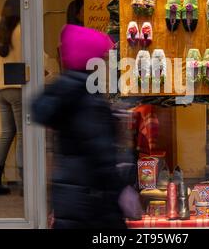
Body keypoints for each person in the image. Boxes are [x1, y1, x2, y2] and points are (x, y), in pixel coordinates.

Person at [32, 24, 140, 229]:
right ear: (91, 62)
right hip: (92, 201)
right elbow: (102, 154)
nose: (106, 64)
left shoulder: (66, 93)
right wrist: (122, 190)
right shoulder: (88, 100)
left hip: (69, 198)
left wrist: (107, 116)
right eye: (103, 58)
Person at [0, 0, 23, 195]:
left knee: (6, 133)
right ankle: (26, 182)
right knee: (22, 136)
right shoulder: (20, 30)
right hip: (17, 89)